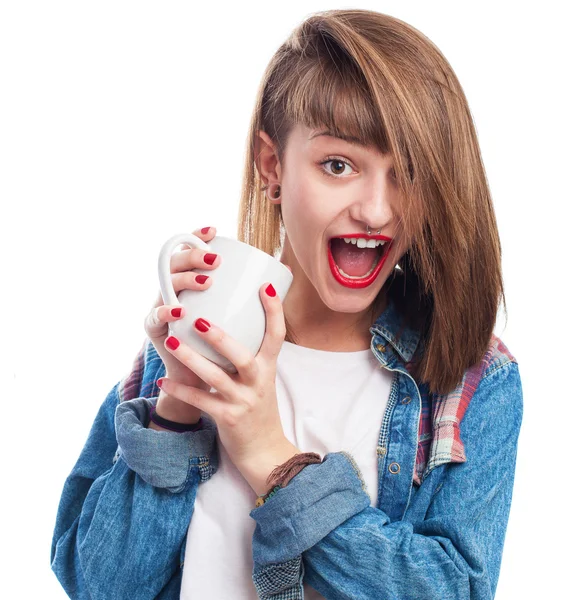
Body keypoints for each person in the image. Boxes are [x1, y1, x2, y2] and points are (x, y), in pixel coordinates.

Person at [50, 9, 523, 600]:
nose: (376, 211)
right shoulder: (197, 338)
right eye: (338, 165)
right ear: (272, 166)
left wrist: (272, 459)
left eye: (408, 174)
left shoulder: (472, 379)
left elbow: (456, 591)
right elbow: (99, 586)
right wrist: (176, 405)